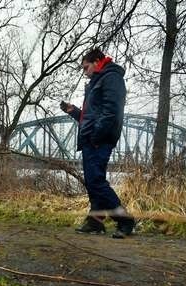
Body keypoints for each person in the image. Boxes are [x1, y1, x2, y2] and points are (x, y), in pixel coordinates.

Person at [60, 48, 135, 238]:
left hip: (98, 139)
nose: (85, 72)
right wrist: (74, 111)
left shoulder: (111, 77)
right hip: (92, 138)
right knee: (93, 181)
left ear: (97, 61)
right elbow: (91, 116)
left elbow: (112, 110)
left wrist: (96, 136)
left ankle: (125, 220)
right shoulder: (97, 81)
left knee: (96, 181)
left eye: (86, 67)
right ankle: (96, 221)